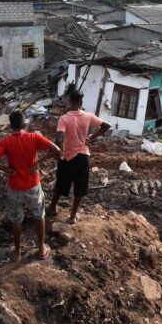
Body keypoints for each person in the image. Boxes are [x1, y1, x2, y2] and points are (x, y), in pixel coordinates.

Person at [0, 111, 60, 261]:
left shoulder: (5, 141)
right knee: (39, 215)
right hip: (33, 185)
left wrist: (4, 169)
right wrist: (38, 162)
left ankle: (17, 252)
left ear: (10, 125)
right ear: (24, 123)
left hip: (15, 187)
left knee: (16, 220)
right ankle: (41, 249)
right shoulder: (34, 137)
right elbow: (56, 150)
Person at [46, 90, 111, 224]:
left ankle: (52, 207)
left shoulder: (64, 118)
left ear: (69, 102)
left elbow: (58, 138)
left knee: (61, 183)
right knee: (79, 186)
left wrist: (58, 153)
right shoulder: (88, 116)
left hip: (68, 157)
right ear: (81, 102)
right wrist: (91, 138)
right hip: (83, 157)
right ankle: (73, 216)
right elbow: (106, 126)